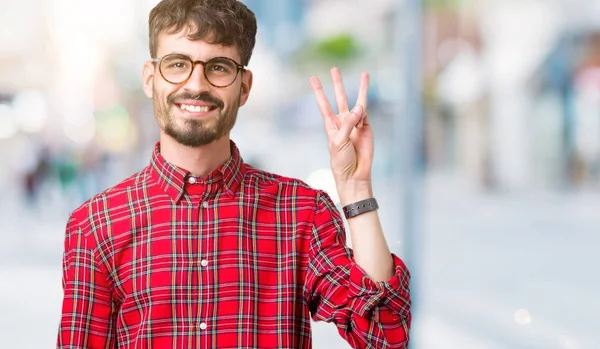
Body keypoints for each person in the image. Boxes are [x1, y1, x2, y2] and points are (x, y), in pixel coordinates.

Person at [56, 0, 411, 348]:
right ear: (151, 79)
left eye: (219, 67)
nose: (196, 84)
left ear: (244, 87)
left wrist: (355, 187)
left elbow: (383, 336)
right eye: (177, 64)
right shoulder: (96, 226)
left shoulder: (302, 213)